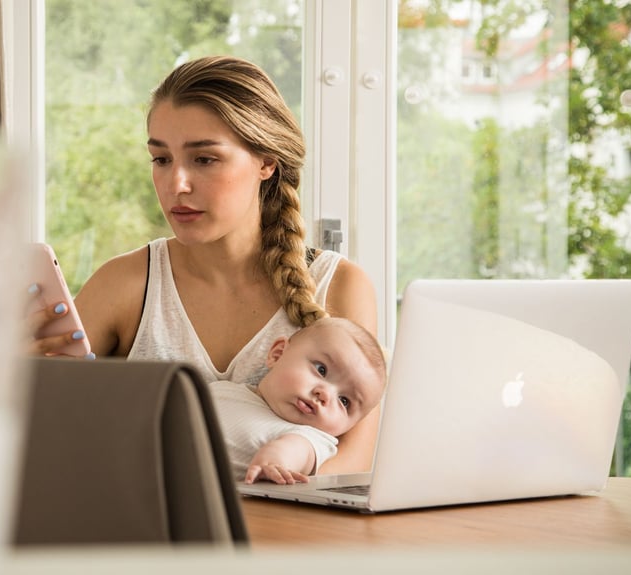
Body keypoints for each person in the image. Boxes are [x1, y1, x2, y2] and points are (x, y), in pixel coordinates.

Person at [29, 55, 380, 474]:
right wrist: (22, 372)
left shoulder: (340, 286)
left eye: (204, 159)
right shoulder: (126, 284)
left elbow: (353, 463)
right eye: (161, 160)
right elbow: (48, 432)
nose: (176, 184)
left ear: (266, 162)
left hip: (287, 534)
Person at [212, 316, 386, 484]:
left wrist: (274, 462)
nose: (325, 394)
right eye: (321, 370)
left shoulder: (309, 437)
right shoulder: (224, 389)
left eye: (344, 401)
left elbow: (295, 452)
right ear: (278, 354)